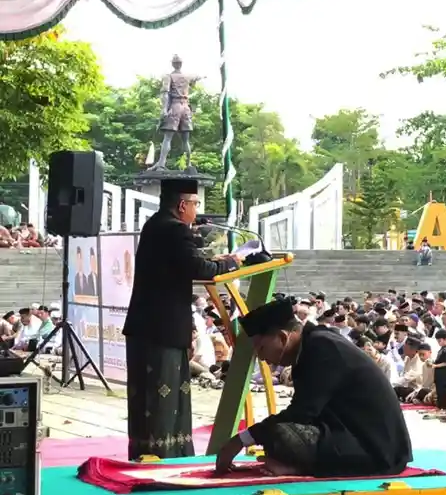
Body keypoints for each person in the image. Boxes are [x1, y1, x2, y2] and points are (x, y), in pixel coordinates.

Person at [214, 298, 412, 477]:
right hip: (352, 434)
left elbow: (302, 413)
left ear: (283, 338)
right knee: (274, 434)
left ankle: (299, 468)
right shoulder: (313, 343)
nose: (262, 358)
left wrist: (241, 440)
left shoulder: (322, 348)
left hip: (375, 449)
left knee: (279, 433)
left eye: (262, 348)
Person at [123, 179, 239, 460]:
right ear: (182, 205)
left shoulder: (154, 225)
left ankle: (144, 451)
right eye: (196, 204)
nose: (197, 210)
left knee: (145, 396)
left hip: (144, 325)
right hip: (163, 328)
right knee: (165, 397)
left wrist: (215, 261)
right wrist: (230, 263)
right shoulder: (175, 229)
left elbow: (182, 264)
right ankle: (167, 455)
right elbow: (197, 267)